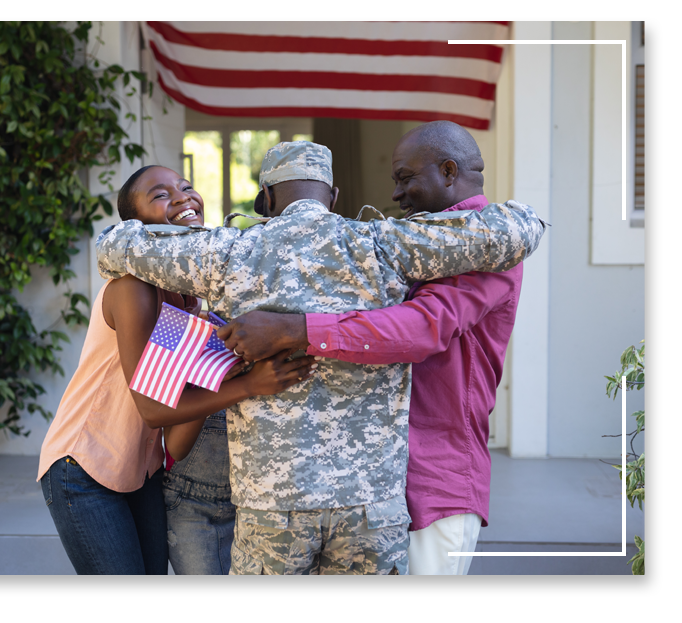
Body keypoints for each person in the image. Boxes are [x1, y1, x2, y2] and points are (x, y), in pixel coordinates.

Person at [95, 141, 546, 575]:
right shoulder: (382, 242)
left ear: (266, 198)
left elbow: (112, 246)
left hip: (272, 503)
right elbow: (517, 232)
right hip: (371, 505)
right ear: (334, 196)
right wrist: (522, 212)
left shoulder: (225, 252)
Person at [215, 121, 521, 574]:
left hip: (434, 478)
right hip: (372, 486)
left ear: (449, 171)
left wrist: (295, 329)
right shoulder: (420, 244)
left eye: (405, 179)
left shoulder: (487, 250)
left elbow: (420, 328)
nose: (396, 195)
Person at [37, 164, 316, 575]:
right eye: (161, 195)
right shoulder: (133, 288)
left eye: (185, 187)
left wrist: (227, 369)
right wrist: (250, 386)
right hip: (82, 467)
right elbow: (152, 408)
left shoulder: (189, 299)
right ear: (136, 226)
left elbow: (177, 442)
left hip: (140, 471)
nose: (183, 196)